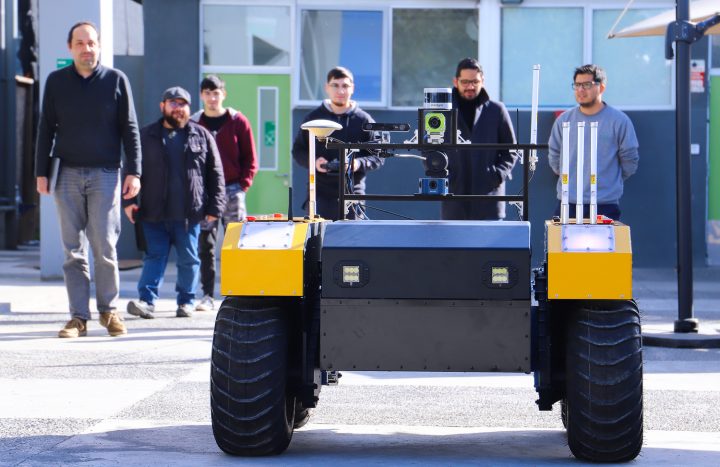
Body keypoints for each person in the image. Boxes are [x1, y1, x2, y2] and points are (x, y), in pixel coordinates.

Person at [35, 22, 141, 338]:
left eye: (91, 43)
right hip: (66, 173)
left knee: (105, 246)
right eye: (80, 43)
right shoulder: (56, 82)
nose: (86, 48)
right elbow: (45, 129)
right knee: (72, 250)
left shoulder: (116, 80)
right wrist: (41, 172)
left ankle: (109, 312)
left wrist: (135, 171)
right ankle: (78, 318)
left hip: (106, 174)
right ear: (70, 48)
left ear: (99, 45)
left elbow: (130, 130)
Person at [124, 86, 225, 319]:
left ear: (189, 108)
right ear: (163, 106)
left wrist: (215, 208)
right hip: (152, 212)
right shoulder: (146, 135)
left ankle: (186, 302)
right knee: (153, 257)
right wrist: (128, 202)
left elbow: (216, 174)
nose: (178, 108)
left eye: (183, 104)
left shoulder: (202, 135)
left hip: (189, 214)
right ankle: (146, 301)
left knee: (189, 259)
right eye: (173, 103)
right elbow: (130, 168)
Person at [190, 75, 257, 312]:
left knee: (237, 243)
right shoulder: (194, 123)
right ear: (201, 95)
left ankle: (239, 294)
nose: (212, 98)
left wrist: (243, 185)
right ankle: (207, 295)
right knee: (205, 244)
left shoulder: (238, 121)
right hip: (205, 193)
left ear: (223, 94)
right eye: (207, 93)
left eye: (216, 92)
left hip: (232, 190)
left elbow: (251, 158)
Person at [548, 64, 639, 220]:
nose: (581, 90)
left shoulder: (619, 121)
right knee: (563, 245)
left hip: (605, 205)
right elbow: (554, 154)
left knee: (603, 246)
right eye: (577, 85)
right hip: (567, 203)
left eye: (587, 85)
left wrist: (610, 180)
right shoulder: (564, 120)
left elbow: (629, 160)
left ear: (601, 87)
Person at [292, 66, 383, 220]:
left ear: (352, 88)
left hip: (353, 194)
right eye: (335, 85)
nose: (340, 91)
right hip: (319, 194)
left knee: (354, 242)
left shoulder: (365, 120)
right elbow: (298, 151)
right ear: (327, 87)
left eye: (345, 86)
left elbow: (379, 156)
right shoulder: (312, 119)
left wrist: (357, 164)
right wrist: (314, 162)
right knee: (318, 242)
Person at [442, 58, 518, 221]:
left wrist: (496, 175)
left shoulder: (497, 110)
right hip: (453, 200)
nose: (470, 86)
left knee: (489, 247)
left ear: (482, 81)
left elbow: (511, 150)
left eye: (475, 81)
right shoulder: (443, 112)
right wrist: (444, 177)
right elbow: (429, 148)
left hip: (489, 201)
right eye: (465, 82)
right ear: (456, 82)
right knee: (453, 247)